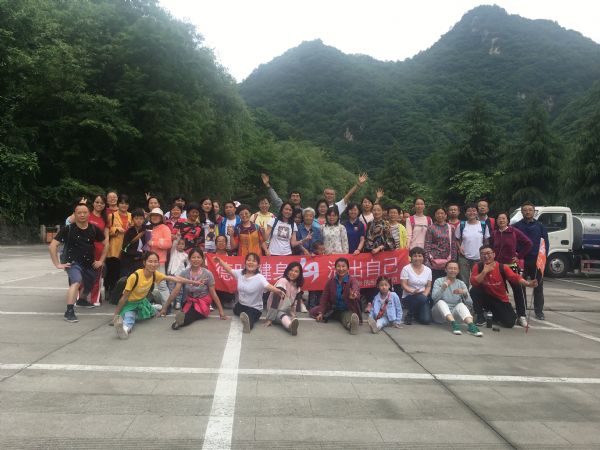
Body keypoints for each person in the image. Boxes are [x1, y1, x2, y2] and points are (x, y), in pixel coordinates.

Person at [112, 252, 203, 339]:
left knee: (156, 314)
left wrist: (194, 282)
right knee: (130, 317)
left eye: (155, 262)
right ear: (144, 262)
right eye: (150, 261)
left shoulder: (155, 274)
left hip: (142, 302)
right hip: (130, 304)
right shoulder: (135, 276)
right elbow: (124, 298)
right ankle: (124, 330)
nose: (153, 264)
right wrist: (116, 316)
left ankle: (154, 307)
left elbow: (175, 279)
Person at [49, 201, 108, 322]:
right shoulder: (68, 229)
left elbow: (106, 244)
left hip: (89, 262)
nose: (82, 215)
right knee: (76, 281)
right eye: (79, 212)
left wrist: (101, 260)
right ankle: (69, 311)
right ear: (74, 214)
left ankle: (82, 300)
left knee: (90, 283)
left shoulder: (94, 229)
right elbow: (52, 246)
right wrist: (57, 264)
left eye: (85, 212)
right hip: (72, 262)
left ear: (89, 214)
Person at [470, 245, 538, 328]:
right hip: (485, 298)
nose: (486, 256)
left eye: (488, 253)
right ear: (480, 256)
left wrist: (528, 283)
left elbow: (515, 277)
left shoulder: (502, 267)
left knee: (510, 322)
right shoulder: (478, 266)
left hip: (499, 299)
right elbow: (474, 282)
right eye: (483, 254)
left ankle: (491, 314)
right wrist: (484, 271)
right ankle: (480, 316)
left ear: (494, 254)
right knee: (474, 290)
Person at [213, 253, 283, 333]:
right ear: (245, 262)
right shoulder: (240, 273)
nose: (251, 262)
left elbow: (268, 286)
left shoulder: (259, 277)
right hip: (241, 305)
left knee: (250, 316)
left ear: (258, 265)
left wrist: (277, 291)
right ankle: (244, 315)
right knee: (236, 310)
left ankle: (248, 325)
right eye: (249, 260)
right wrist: (220, 261)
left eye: (254, 261)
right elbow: (229, 269)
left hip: (255, 308)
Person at [161, 248, 228, 329]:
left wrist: (221, 312)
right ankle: (180, 320)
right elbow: (176, 291)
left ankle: (179, 322)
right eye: (193, 257)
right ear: (189, 259)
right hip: (189, 302)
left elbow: (213, 293)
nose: (196, 260)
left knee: (191, 314)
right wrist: (164, 308)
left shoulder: (208, 274)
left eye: (198, 257)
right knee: (187, 311)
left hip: (202, 304)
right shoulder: (184, 273)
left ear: (202, 259)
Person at [66, 195, 109, 306]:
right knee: (79, 275)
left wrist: (102, 258)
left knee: (95, 277)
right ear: (93, 203)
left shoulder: (105, 219)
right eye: (97, 202)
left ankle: (94, 299)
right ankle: (78, 298)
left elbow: (106, 239)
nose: (99, 204)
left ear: (105, 205)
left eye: (102, 203)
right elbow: (69, 221)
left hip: (98, 250)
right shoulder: (86, 213)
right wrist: (81, 205)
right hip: (82, 250)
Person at [492, 212, 533, 326]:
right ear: (496, 221)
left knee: (518, 290)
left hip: (511, 265)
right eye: (499, 218)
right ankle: (499, 314)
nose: (501, 220)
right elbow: (490, 248)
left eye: (503, 218)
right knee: (498, 290)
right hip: (497, 266)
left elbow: (528, 243)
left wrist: (519, 256)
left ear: (508, 220)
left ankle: (521, 315)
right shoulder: (494, 233)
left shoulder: (514, 231)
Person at [513, 201, 549, 320]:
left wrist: (543, 259)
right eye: (525, 210)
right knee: (520, 286)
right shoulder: (516, 226)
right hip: (521, 260)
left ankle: (539, 311)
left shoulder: (540, 226)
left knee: (538, 286)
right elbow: (513, 243)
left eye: (530, 210)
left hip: (536, 261)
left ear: (534, 212)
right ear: (522, 212)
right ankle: (521, 311)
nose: (527, 212)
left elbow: (545, 244)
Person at [310, 257, 362, 335]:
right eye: (338, 266)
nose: (341, 269)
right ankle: (330, 315)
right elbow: (324, 298)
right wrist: (321, 312)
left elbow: (356, 287)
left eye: (343, 266)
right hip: (333, 308)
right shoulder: (331, 281)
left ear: (348, 268)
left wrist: (354, 294)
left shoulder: (352, 280)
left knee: (347, 318)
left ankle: (351, 326)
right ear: (335, 268)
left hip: (346, 309)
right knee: (313, 311)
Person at [431, 261, 482, 336]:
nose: (453, 270)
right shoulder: (439, 281)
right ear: (445, 270)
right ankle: (453, 324)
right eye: (450, 268)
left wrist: (464, 293)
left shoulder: (461, 283)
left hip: (455, 315)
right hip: (439, 315)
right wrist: (443, 288)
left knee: (461, 305)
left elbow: (470, 303)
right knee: (440, 302)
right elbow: (434, 298)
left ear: (458, 271)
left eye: (455, 268)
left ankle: (471, 326)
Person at [455, 204, 490, 289]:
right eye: (469, 211)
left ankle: (477, 296)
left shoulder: (483, 225)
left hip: (479, 258)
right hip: (464, 257)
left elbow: (486, 241)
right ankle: (464, 296)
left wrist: (485, 254)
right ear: (465, 213)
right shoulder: (462, 225)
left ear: (477, 212)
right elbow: (456, 239)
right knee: (463, 280)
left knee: (478, 280)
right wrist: (459, 248)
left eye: (474, 210)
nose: (471, 213)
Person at [264, 262, 304, 336]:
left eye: (296, 271)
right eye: (291, 270)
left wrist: (293, 314)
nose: (293, 273)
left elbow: (294, 304)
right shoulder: (283, 281)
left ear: (299, 274)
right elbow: (275, 300)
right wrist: (270, 319)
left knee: (289, 317)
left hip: (286, 310)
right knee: (282, 315)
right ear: (287, 270)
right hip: (275, 311)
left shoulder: (297, 287)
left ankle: (291, 323)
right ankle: (290, 327)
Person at [146, 208, 173, 306]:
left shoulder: (165, 228)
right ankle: (146, 304)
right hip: (147, 260)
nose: (155, 217)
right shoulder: (148, 227)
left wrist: (153, 243)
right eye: (153, 215)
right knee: (146, 283)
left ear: (161, 218)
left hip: (159, 261)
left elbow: (168, 244)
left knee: (162, 284)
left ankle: (167, 305)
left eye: (157, 216)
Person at [106, 194, 131, 296]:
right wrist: (116, 229)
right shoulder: (111, 216)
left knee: (123, 272)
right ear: (118, 204)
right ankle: (110, 290)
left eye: (126, 203)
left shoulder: (131, 216)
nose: (124, 205)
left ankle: (121, 292)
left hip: (127, 249)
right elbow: (106, 231)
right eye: (122, 203)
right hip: (114, 249)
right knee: (112, 272)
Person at [424, 207, 458, 283]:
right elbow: (427, 244)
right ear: (435, 215)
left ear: (446, 215)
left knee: (447, 282)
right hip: (434, 261)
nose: (440, 215)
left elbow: (453, 244)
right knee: (435, 282)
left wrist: (453, 260)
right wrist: (427, 260)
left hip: (447, 260)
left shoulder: (451, 228)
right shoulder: (431, 228)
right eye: (438, 213)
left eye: (442, 213)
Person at [400, 247, 432, 325]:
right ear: (411, 257)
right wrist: (412, 291)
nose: (417, 258)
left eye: (420, 256)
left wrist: (424, 295)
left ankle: (413, 313)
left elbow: (428, 286)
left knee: (426, 320)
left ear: (423, 257)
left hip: (422, 297)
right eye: (415, 256)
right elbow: (403, 285)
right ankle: (409, 315)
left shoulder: (428, 270)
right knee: (421, 298)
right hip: (409, 296)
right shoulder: (406, 269)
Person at [120, 208, 147, 277]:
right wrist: (139, 253)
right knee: (127, 279)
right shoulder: (129, 232)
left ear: (144, 219)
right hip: (128, 261)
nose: (139, 220)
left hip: (140, 261)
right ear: (132, 220)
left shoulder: (146, 231)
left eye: (141, 218)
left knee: (139, 279)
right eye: (136, 218)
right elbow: (125, 248)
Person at [166, 236, 189, 310]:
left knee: (179, 289)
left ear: (185, 246)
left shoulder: (185, 255)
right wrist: (177, 237)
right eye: (179, 244)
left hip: (180, 274)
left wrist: (185, 271)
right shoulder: (173, 252)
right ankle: (172, 301)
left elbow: (189, 264)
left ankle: (178, 302)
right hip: (171, 273)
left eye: (182, 244)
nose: (180, 246)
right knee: (171, 288)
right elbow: (174, 243)